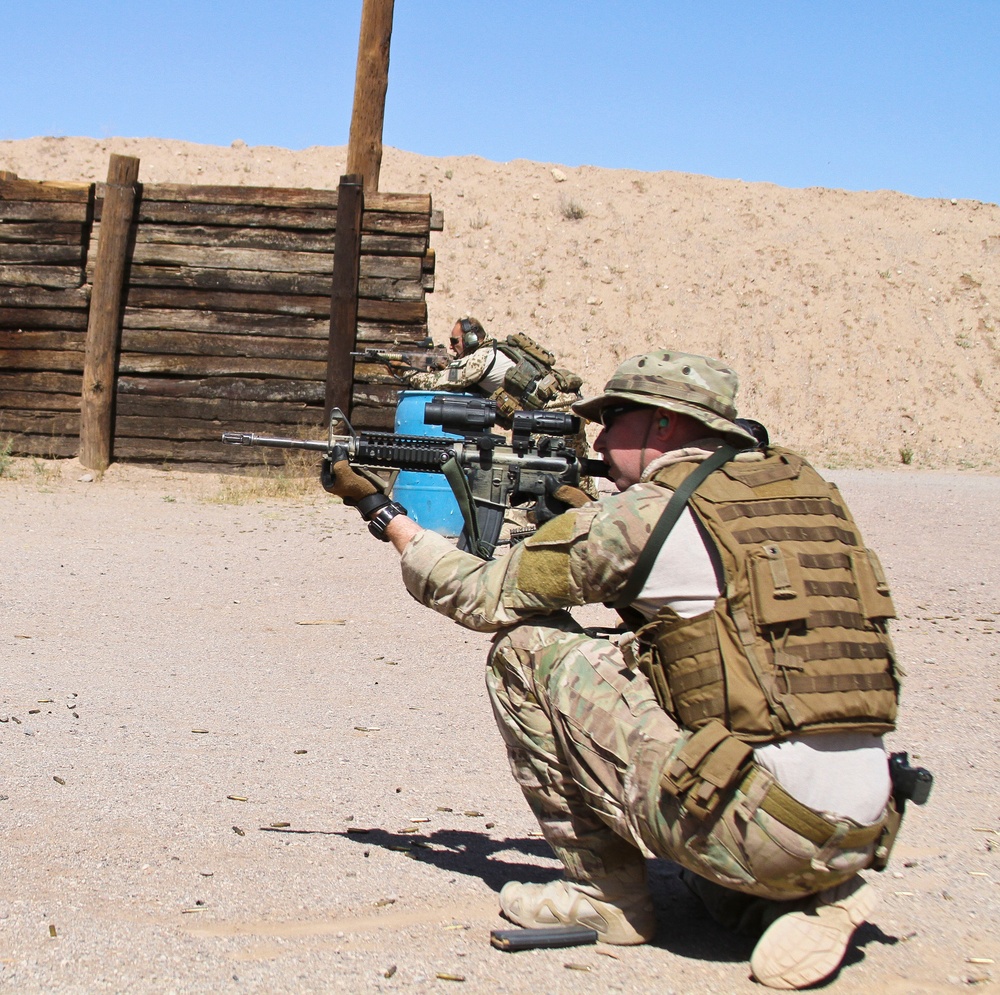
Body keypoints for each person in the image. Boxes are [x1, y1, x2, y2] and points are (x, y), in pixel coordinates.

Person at [321, 349, 904, 991]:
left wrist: (385, 515)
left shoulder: (651, 513)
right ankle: (799, 895)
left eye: (612, 418)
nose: (597, 437)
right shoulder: (803, 495)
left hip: (768, 834)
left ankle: (609, 902)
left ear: (662, 426)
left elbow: (481, 595)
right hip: (864, 826)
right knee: (644, 658)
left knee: (530, 651)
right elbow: (713, 630)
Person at [394, 316, 583, 424]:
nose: (452, 347)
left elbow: (434, 384)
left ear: (470, 339)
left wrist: (406, 371)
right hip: (565, 407)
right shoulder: (493, 350)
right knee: (579, 477)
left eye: (454, 341)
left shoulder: (480, 359)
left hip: (556, 412)